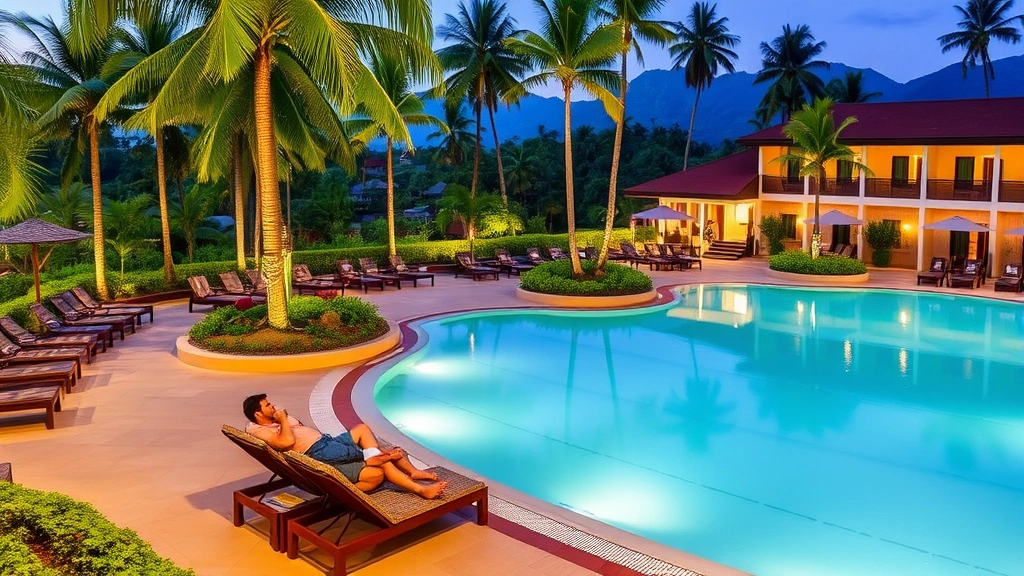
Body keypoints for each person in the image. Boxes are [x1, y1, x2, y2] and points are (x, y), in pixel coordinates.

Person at [242, 394, 445, 499]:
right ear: (258, 414)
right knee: (383, 464)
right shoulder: (259, 430)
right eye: (268, 405)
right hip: (318, 452)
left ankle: (411, 470)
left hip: (327, 441)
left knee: (363, 429)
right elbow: (286, 442)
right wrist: (284, 420)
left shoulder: (272, 421)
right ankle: (420, 489)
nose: (274, 406)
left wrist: (282, 420)